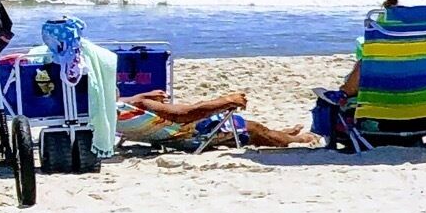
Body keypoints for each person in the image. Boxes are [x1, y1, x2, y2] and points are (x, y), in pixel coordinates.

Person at [118, 88, 311, 149]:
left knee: (254, 127)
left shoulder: (116, 108)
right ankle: (296, 139)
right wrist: (226, 101)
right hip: (193, 134)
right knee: (255, 130)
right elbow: (184, 115)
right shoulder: (142, 105)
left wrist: (141, 96)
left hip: (164, 134)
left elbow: (124, 100)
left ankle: (283, 133)